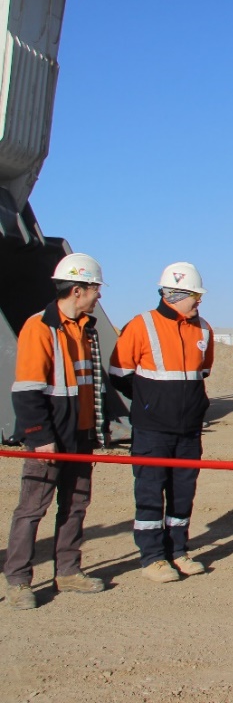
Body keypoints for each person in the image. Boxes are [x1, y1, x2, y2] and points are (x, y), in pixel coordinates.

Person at [5, 254, 108, 610]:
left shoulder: (85, 329)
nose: (98, 297)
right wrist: (40, 437)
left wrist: (93, 429)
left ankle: (67, 570)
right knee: (33, 508)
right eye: (95, 289)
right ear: (77, 290)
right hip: (50, 435)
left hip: (79, 434)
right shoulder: (40, 327)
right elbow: (27, 390)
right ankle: (18, 580)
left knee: (76, 504)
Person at [110, 262, 214, 583]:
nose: (199, 302)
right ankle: (153, 556)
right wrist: (148, 401)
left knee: (183, 493)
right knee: (150, 492)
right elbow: (118, 373)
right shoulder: (140, 325)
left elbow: (203, 372)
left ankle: (177, 550)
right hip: (152, 430)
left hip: (188, 430)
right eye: (194, 296)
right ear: (175, 294)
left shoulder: (204, 329)